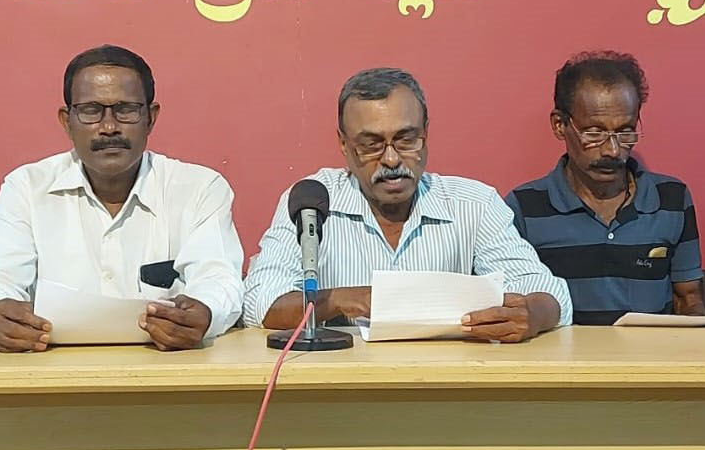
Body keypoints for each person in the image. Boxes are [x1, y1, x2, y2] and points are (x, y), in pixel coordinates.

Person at [242, 67, 571, 342]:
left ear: (425, 135)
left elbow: (547, 292)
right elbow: (259, 303)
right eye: (371, 144)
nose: (391, 159)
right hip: (341, 384)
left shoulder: (474, 203)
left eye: (406, 140)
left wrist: (532, 314)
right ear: (343, 144)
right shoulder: (312, 202)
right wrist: (342, 300)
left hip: (448, 383)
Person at [0, 45, 244, 351]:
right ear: (67, 121)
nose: (109, 127)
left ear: (150, 118)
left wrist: (204, 314)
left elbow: (218, 280)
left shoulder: (199, 188)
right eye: (90, 111)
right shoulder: (28, 188)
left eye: (126, 110)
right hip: (52, 370)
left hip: (167, 369)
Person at [506, 51, 705, 325]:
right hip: (563, 353)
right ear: (559, 125)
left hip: (653, 352)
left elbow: (689, 300)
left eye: (625, 132)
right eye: (594, 133)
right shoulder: (523, 208)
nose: (612, 150)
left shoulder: (671, 199)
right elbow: (515, 308)